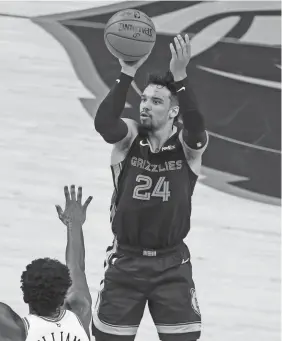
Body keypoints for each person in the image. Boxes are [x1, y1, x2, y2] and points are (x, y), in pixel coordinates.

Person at [93, 33, 208, 341]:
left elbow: (197, 126)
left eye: (156, 101)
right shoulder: (130, 137)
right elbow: (104, 124)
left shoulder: (187, 148)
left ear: (173, 111)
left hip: (171, 264)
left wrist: (180, 76)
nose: (145, 105)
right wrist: (127, 70)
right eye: (143, 98)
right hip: (125, 262)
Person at [0, 185, 93, 341]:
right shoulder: (80, 311)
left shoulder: (16, 330)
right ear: (64, 295)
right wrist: (74, 225)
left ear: (25, 297)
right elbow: (76, 266)